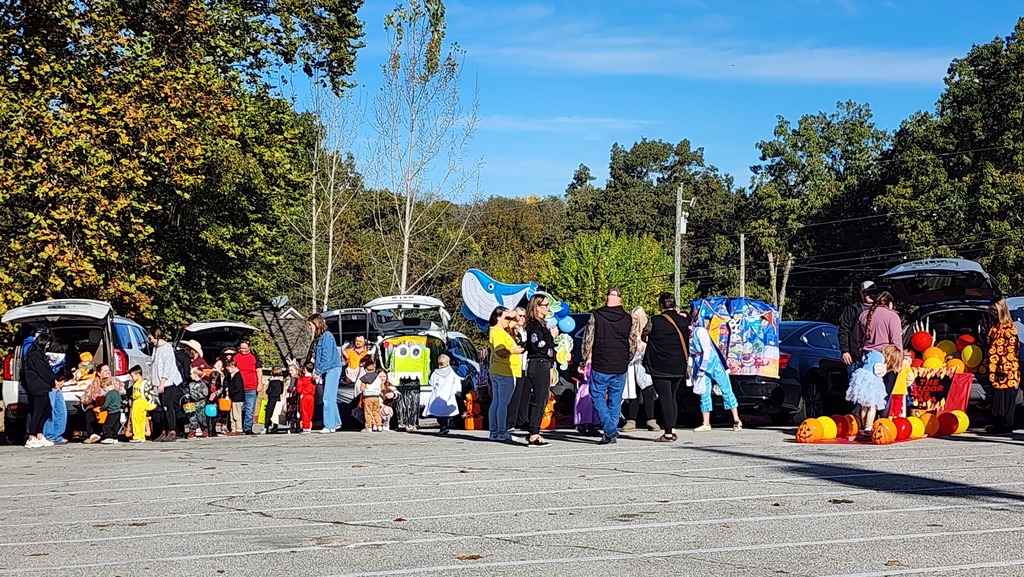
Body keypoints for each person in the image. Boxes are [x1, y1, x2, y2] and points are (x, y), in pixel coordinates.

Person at [582, 287, 634, 445]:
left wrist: (585, 358)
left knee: (597, 396)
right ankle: (610, 432)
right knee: (615, 400)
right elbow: (632, 342)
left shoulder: (597, 315)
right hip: (620, 364)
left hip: (601, 363)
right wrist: (627, 359)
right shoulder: (628, 318)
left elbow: (588, 339)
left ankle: (609, 429)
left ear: (606, 298)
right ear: (620, 299)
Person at [643, 293, 690, 442]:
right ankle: (672, 428)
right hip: (679, 365)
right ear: (674, 305)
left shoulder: (655, 320)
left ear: (660, 306)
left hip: (660, 365)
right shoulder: (683, 321)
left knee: (665, 399)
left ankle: (668, 433)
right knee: (672, 397)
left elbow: (644, 334)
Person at [690, 320, 742, 432]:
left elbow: (707, 350)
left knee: (726, 390)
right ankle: (706, 423)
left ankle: (736, 420)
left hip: (714, 364)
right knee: (704, 392)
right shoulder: (687, 335)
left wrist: (703, 367)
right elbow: (692, 354)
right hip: (701, 365)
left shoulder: (700, 331)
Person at [522, 295, 555, 447]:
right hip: (538, 362)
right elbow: (537, 345)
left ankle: (534, 432)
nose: (548, 308)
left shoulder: (541, 324)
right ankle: (534, 435)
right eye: (545, 305)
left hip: (543, 363)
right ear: (537, 307)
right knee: (539, 399)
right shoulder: (534, 325)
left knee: (542, 398)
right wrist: (552, 338)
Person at [488, 306, 523, 443]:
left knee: (497, 402)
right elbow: (500, 352)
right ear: (497, 317)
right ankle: (500, 432)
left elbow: (517, 319)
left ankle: (495, 431)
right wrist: (514, 351)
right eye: (505, 318)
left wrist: (510, 314)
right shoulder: (497, 332)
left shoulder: (500, 330)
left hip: (500, 370)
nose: (508, 320)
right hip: (504, 371)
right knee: (503, 403)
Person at [986, 298, 1020, 433]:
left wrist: (1003, 369)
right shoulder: (995, 327)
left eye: (994, 310)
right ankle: (1000, 424)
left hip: (1007, 370)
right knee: (999, 397)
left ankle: (1004, 424)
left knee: (1006, 398)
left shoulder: (1009, 328)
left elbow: (1011, 350)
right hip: (996, 369)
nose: (992, 312)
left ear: (1000, 309)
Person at [846, 346, 898, 433]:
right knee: (872, 406)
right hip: (872, 383)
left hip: (862, 380)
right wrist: (885, 368)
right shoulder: (881, 359)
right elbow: (878, 371)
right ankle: (869, 426)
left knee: (864, 406)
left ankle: (863, 424)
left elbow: (864, 359)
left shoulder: (872, 353)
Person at [623, 305, 657, 433]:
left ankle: (651, 419)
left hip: (645, 364)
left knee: (648, 391)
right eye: (632, 318)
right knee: (633, 392)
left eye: (636, 318)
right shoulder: (628, 331)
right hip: (632, 365)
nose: (634, 321)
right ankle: (631, 420)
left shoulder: (648, 331)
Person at [308, 314, 343, 433]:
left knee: (327, 397)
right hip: (328, 369)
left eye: (310, 324)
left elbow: (326, 357)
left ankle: (329, 425)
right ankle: (336, 422)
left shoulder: (326, 336)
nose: (309, 327)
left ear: (316, 324)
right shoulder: (322, 337)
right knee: (331, 397)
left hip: (332, 368)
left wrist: (317, 371)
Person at [22, 332, 56, 448]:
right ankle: (31, 437)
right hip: (38, 387)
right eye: (47, 343)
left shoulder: (38, 354)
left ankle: (39, 435)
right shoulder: (35, 355)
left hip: (41, 387)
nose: (48, 345)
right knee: (38, 412)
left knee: (43, 412)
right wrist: (53, 380)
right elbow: (44, 371)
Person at [149, 328, 183, 442]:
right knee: (161, 407)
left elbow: (167, 366)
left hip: (168, 382)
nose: (150, 340)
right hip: (158, 382)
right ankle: (164, 431)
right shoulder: (155, 348)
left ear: (156, 336)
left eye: (151, 337)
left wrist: (162, 382)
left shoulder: (167, 348)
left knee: (168, 406)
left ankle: (172, 430)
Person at [839, 281, 877, 370]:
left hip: (875, 356)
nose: (871, 295)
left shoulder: (880, 310)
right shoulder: (852, 310)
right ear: (861, 293)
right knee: (855, 382)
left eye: (874, 292)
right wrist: (845, 351)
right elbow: (844, 330)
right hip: (855, 357)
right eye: (868, 293)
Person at [82, 364, 124, 444]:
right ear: (99, 373)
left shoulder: (115, 381)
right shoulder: (93, 383)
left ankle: (112, 435)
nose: (108, 372)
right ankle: (93, 435)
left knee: (115, 413)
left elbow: (123, 392)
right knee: (90, 412)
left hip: (111, 407)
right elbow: (84, 398)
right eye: (105, 371)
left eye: (108, 370)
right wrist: (92, 397)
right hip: (97, 406)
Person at [506, 307, 530, 434]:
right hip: (515, 365)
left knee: (525, 394)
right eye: (519, 316)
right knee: (515, 394)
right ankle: (510, 421)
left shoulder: (526, 330)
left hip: (526, 365)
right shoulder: (511, 331)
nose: (521, 318)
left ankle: (523, 419)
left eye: (523, 316)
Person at [426, 354, 460, 435]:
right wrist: (456, 391)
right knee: (447, 411)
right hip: (449, 394)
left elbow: (432, 383)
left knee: (439, 413)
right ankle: (446, 426)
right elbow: (457, 383)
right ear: (448, 362)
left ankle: (443, 427)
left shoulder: (436, 373)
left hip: (438, 395)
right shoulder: (453, 372)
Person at [234, 341, 263, 436]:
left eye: (245, 348)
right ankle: (238, 427)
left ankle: (248, 428)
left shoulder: (254, 357)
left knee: (250, 408)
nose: (244, 350)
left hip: (251, 387)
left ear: (249, 347)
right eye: (242, 348)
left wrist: (260, 384)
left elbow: (259, 371)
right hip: (239, 388)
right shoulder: (236, 357)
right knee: (239, 409)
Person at [128, 366, 156, 443]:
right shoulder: (145, 382)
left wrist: (133, 396)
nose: (132, 378)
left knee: (136, 420)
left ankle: (137, 436)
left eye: (132, 376)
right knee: (142, 420)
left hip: (138, 403)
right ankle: (141, 436)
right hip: (144, 402)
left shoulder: (137, 384)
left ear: (137, 375)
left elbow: (136, 394)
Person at [358, 358, 385, 433]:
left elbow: (362, 389)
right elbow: (382, 387)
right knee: (376, 411)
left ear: (365, 369)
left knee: (368, 412)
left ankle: (368, 427)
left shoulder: (364, 378)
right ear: (374, 368)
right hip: (376, 397)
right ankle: (379, 426)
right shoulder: (378, 378)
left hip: (368, 397)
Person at [43, 374, 68, 445]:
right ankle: (48, 436)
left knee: (61, 412)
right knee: (50, 412)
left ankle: (57, 435)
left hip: (57, 386)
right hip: (49, 385)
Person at [184, 367, 210, 438]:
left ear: (195, 375)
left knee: (201, 417)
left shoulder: (203, 385)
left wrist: (195, 396)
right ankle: (193, 430)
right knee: (192, 417)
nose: (190, 375)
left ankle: (204, 429)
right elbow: (187, 391)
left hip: (200, 404)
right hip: (192, 404)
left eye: (191, 374)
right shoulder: (190, 384)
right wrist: (187, 396)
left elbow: (205, 393)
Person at [98, 378, 122, 444]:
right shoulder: (117, 392)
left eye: (103, 389)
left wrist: (101, 408)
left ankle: (109, 437)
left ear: (105, 386)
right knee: (115, 426)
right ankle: (115, 437)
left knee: (107, 425)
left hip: (112, 412)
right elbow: (120, 400)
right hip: (118, 412)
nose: (104, 390)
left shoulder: (109, 394)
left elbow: (106, 404)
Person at [225, 360, 245, 436]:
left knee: (237, 414)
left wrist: (230, 392)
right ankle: (233, 428)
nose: (228, 371)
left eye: (228, 369)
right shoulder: (232, 375)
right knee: (232, 414)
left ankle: (239, 428)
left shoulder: (238, 376)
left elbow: (238, 388)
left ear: (233, 367)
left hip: (237, 398)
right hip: (233, 398)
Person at [264, 367, 284, 434]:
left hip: (271, 399)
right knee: (276, 413)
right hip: (278, 399)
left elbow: (269, 391)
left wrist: (267, 392)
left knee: (269, 413)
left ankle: (266, 426)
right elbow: (281, 391)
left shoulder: (271, 382)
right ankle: (275, 427)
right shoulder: (281, 383)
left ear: (271, 373)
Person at [297, 362, 316, 434]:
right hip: (311, 396)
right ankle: (308, 426)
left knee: (304, 412)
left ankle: (306, 427)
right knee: (310, 412)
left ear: (305, 369)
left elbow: (299, 390)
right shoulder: (313, 379)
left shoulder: (301, 379)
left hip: (304, 396)